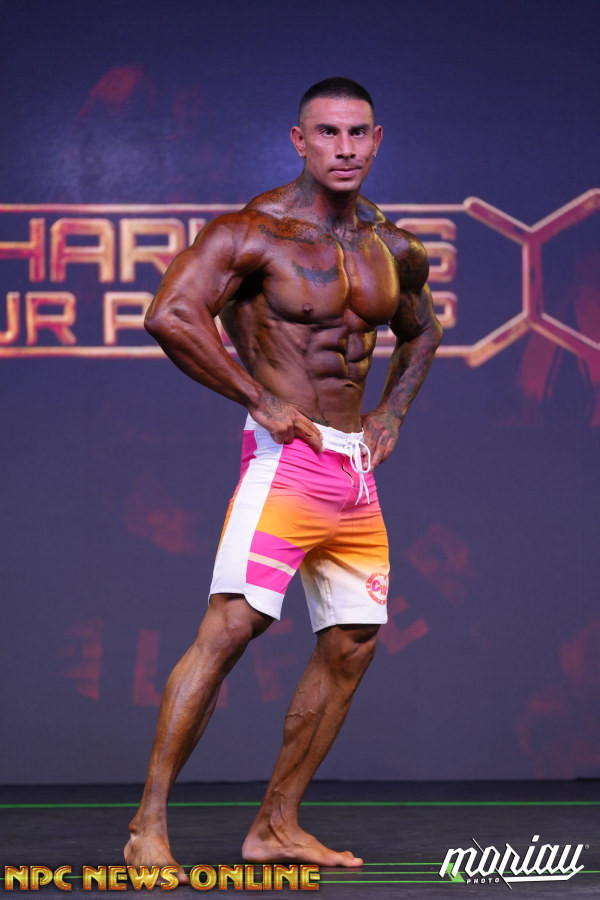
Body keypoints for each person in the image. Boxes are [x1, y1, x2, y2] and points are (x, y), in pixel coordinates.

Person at [124, 77, 442, 880]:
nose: (344, 147)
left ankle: (276, 824)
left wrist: (393, 412)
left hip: (354, 469)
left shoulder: (390, 244)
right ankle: (146, 824)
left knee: (353, 642)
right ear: (299, 141)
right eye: (327, 132)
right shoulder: (253, 232)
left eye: (358, 133)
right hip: (287, 463)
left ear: (377, 140)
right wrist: (256, 397)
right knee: (232, 629)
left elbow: (423, 331)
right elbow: (170, 313)